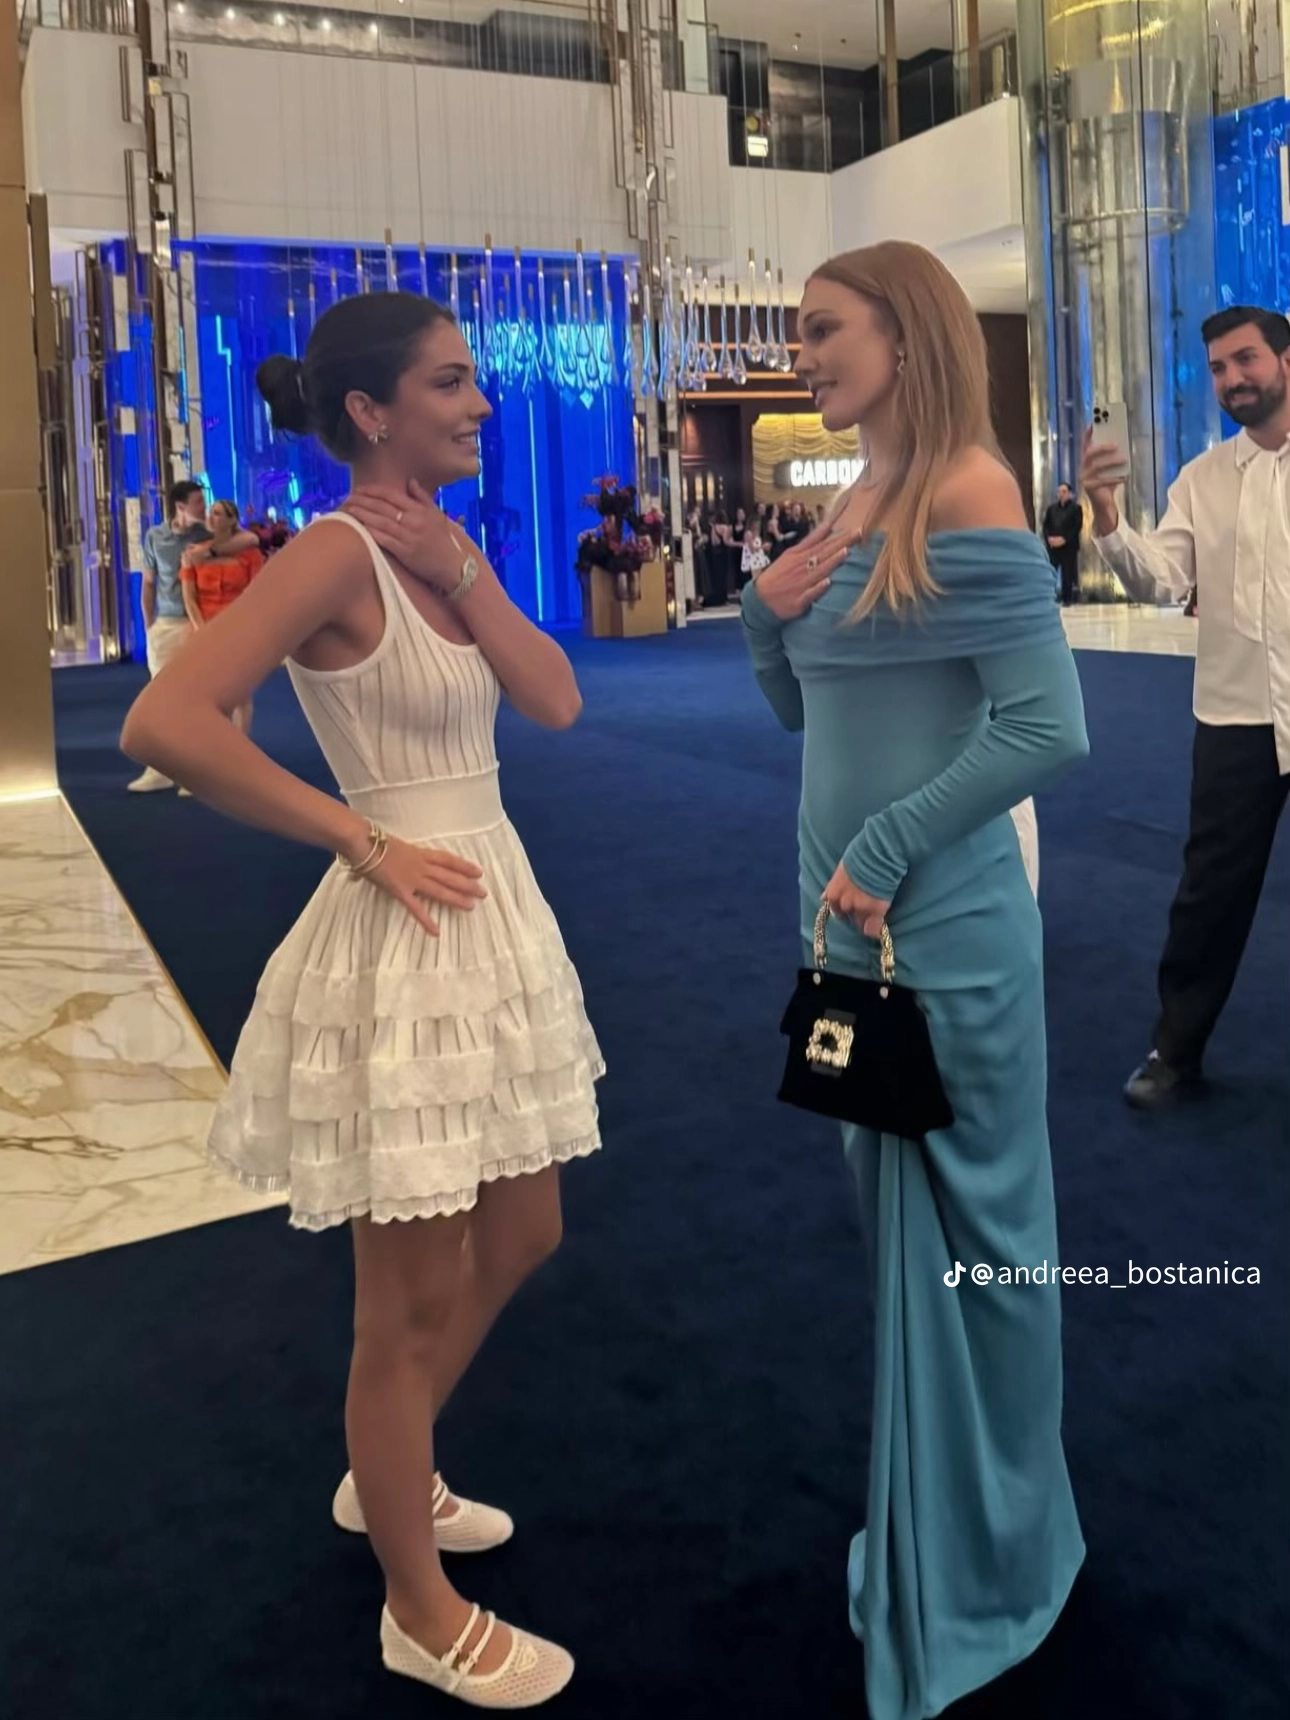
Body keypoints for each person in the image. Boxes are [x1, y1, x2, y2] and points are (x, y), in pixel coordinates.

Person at [121, 290, 604, 1708]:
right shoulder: (333, 551)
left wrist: (467, 570)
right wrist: (358, 837)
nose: (480, 402)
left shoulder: (439, 546)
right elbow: (165, 721)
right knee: (403, 1301)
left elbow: (558, 702)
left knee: (524, 1227)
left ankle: (384, 1469)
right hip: (404, 928)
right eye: (449, 382)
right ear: (367, 411)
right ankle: (415, 1606)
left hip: (490, 913)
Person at [742, 241, 1088, 1720]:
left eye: (824, 329)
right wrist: (762, 612)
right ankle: (937, 1529)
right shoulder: (852, 502)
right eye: (798, 332)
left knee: (985, 1242)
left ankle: (1003, 1549)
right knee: (894, 1231)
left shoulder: (966, 488)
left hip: (935, 918)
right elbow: (796, 709)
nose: (804, 353)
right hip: (837, 925)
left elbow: (1048, 726)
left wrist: (884, 846)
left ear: (907, 332)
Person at [1082, 303, 1290, 1110]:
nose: (1232, 379)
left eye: (1246, 360)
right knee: (1210, 895)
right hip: (1236, 719)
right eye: (1218, 369)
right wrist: (1108, 517)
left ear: (1284, 360)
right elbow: (1161, 581)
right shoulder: (1199, 481)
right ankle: (1175, 1051)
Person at [127, 480, 211, 793]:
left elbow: (247, 539)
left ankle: (195, 771)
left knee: (196, 699)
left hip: (198, 624)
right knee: (160, 698)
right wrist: (149, 624)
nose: (203, 507)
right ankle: (160, 768)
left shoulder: (208, 536)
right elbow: (149, 583)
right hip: (165, 623)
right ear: (180, 507)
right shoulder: (155, 537)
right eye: (198, 502)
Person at [180, 499, 265, 736]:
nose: (211, 516)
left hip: (236, 630)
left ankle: (239, 742)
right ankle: (215, 743)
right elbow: (189, 598)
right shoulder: (194, 553)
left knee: (240, 693)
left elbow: (256, 593)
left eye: (217, 513)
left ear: (231, 520)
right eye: (210, 512)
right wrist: (201, 630)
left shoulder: (249, 553)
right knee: (208, 693)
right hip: (203, 628)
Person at [1042, 481, 1084, 604]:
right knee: (1051, 572)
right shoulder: (1051, 509)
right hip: (1053, 546)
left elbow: (1076, 527)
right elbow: (1046, 526)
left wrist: (1064, 539)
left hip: (1068, 547)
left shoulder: (1076, 509)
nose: (1061, 494)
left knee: (1067, 574)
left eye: (1064, 492)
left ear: (1069, 494)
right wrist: (1049, 539)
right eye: (1059, 492)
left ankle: (1067, 599)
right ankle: (1049, 597)